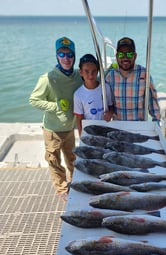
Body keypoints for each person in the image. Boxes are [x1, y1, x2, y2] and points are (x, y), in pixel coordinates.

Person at [29, 37, 83, 201]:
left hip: (70, 128)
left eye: (70, 54)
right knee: (54, 160)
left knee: (72, 159)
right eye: (61, 54)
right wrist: (55, 106)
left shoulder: (77, 76)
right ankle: (61, 189)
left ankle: (76, 184)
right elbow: (33, 100)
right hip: (52, 129)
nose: (66, 58)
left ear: (74, 56)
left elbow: (91, 77)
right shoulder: (47, 78)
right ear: (56, 56)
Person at [105, 37, 160, 122]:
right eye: (121, 54)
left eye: (129, 54)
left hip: (139, 128)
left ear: (135, 56)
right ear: (116, 56)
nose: (125, 58)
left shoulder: (144, 74)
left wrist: (156, 124)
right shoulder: (110, 77)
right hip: (118, 128)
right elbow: (107, 103)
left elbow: (153, 104)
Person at [73, 54, 113, 136]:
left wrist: (110, 113)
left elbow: (111, 106)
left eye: (94, 71)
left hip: (106, 129)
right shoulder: (78, 94)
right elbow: (79, 119)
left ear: (98, 71)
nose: (90, 75)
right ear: (80, 72)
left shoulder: (106, 87)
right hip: (90, 131)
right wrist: (82, 137)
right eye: (86, 71)